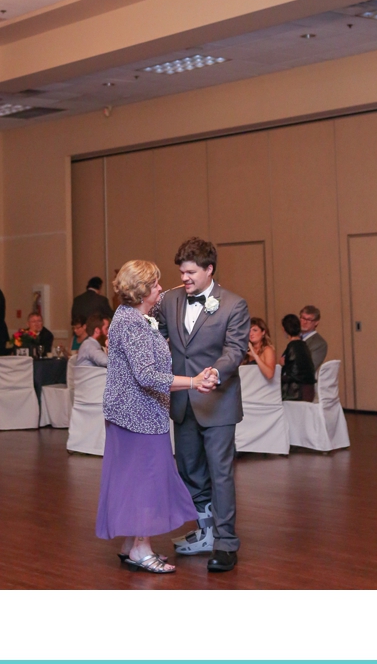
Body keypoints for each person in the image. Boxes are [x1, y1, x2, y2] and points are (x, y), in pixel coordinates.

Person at [97, 260, 214, 574]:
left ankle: (130, 545)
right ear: (141, 291)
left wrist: (194, 280)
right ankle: (141, 548)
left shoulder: (130, 316)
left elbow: (170, 297)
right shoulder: (133, 323)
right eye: (156, 284)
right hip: (139, 416)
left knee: (132, 481)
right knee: (146, 481)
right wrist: (193, 381)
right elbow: (147, 376)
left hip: (132, 415)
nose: (161, 289)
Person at [155, 237, 248, 573]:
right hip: (182, 401)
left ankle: (226, 543)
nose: (185, 278)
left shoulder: (234, 305)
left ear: (209, 269)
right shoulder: (170, 300)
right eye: (181, 272)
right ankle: (206, 531)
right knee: (190, 471)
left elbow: (235, 350)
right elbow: (158, 334)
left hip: (217, 402)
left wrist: (215, 371)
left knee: (220, 473)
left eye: (191, 272)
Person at [279, 313, 316, 402]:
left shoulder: (292, 347)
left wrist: (283, 366)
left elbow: (294, 374)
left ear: (284, 329)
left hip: (297, 392)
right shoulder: (304, 345)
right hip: (309, 390)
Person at [299, 305, 328, 372]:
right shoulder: (295, 337)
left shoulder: (319, 343)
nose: (304, 322)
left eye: (309, 320)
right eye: (303, 318)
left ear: (316, 322)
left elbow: (309, 368)